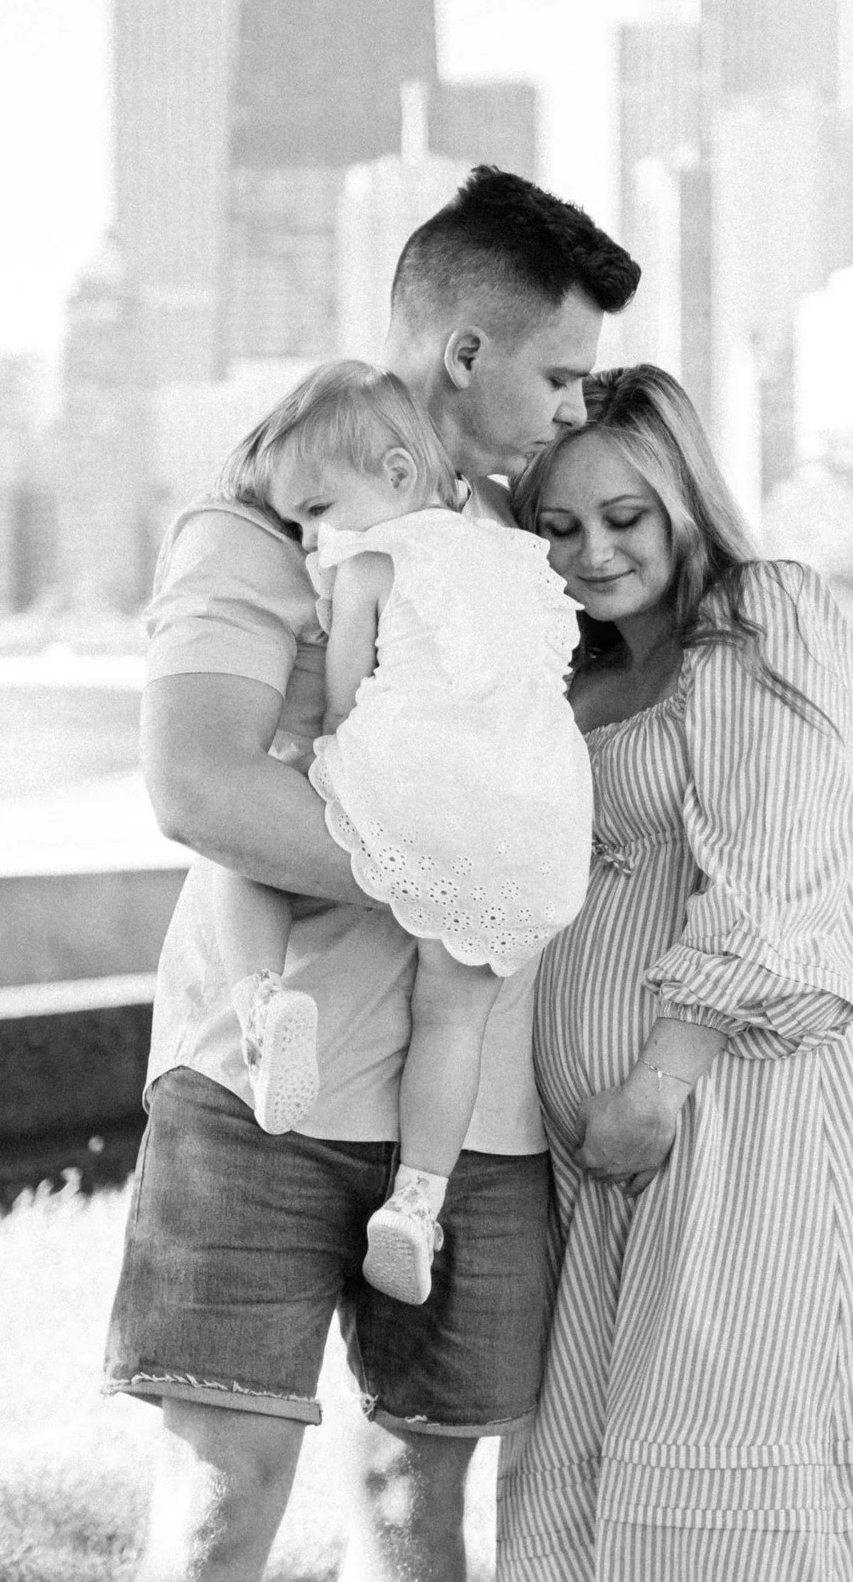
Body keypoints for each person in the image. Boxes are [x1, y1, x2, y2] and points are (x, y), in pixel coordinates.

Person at [100, 166, 637, 1582]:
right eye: (562, 375)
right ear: (468, 353)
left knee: (417, 1506)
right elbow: (200, 782)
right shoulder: (264, 523)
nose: (575, 408)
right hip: (255, 1090)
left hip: (479, 1121)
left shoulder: (537, 549)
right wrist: (464, 873)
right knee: (224, 1500)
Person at [500, 366, 853, 1581]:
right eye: (556, 527)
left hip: (732, 1109)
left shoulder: (765, 616)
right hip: (593, 1156)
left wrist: (656, 1082)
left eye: (624, 517)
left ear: (684, 501)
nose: (591, 552)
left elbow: (777, 876)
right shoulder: (571, 677)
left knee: (734, 1456)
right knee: (614, 1474)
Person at [201, 357, 593, 1305]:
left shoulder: (369, 564)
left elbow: (342, 706)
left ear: (397, 474)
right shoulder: (519, 555)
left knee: (250, 822)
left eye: (314, 510)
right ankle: (417, 1204)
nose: (306, 537)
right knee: (454, 1013)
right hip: (537, 817)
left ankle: (262, 1006)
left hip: (423, 778)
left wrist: (316, 749)